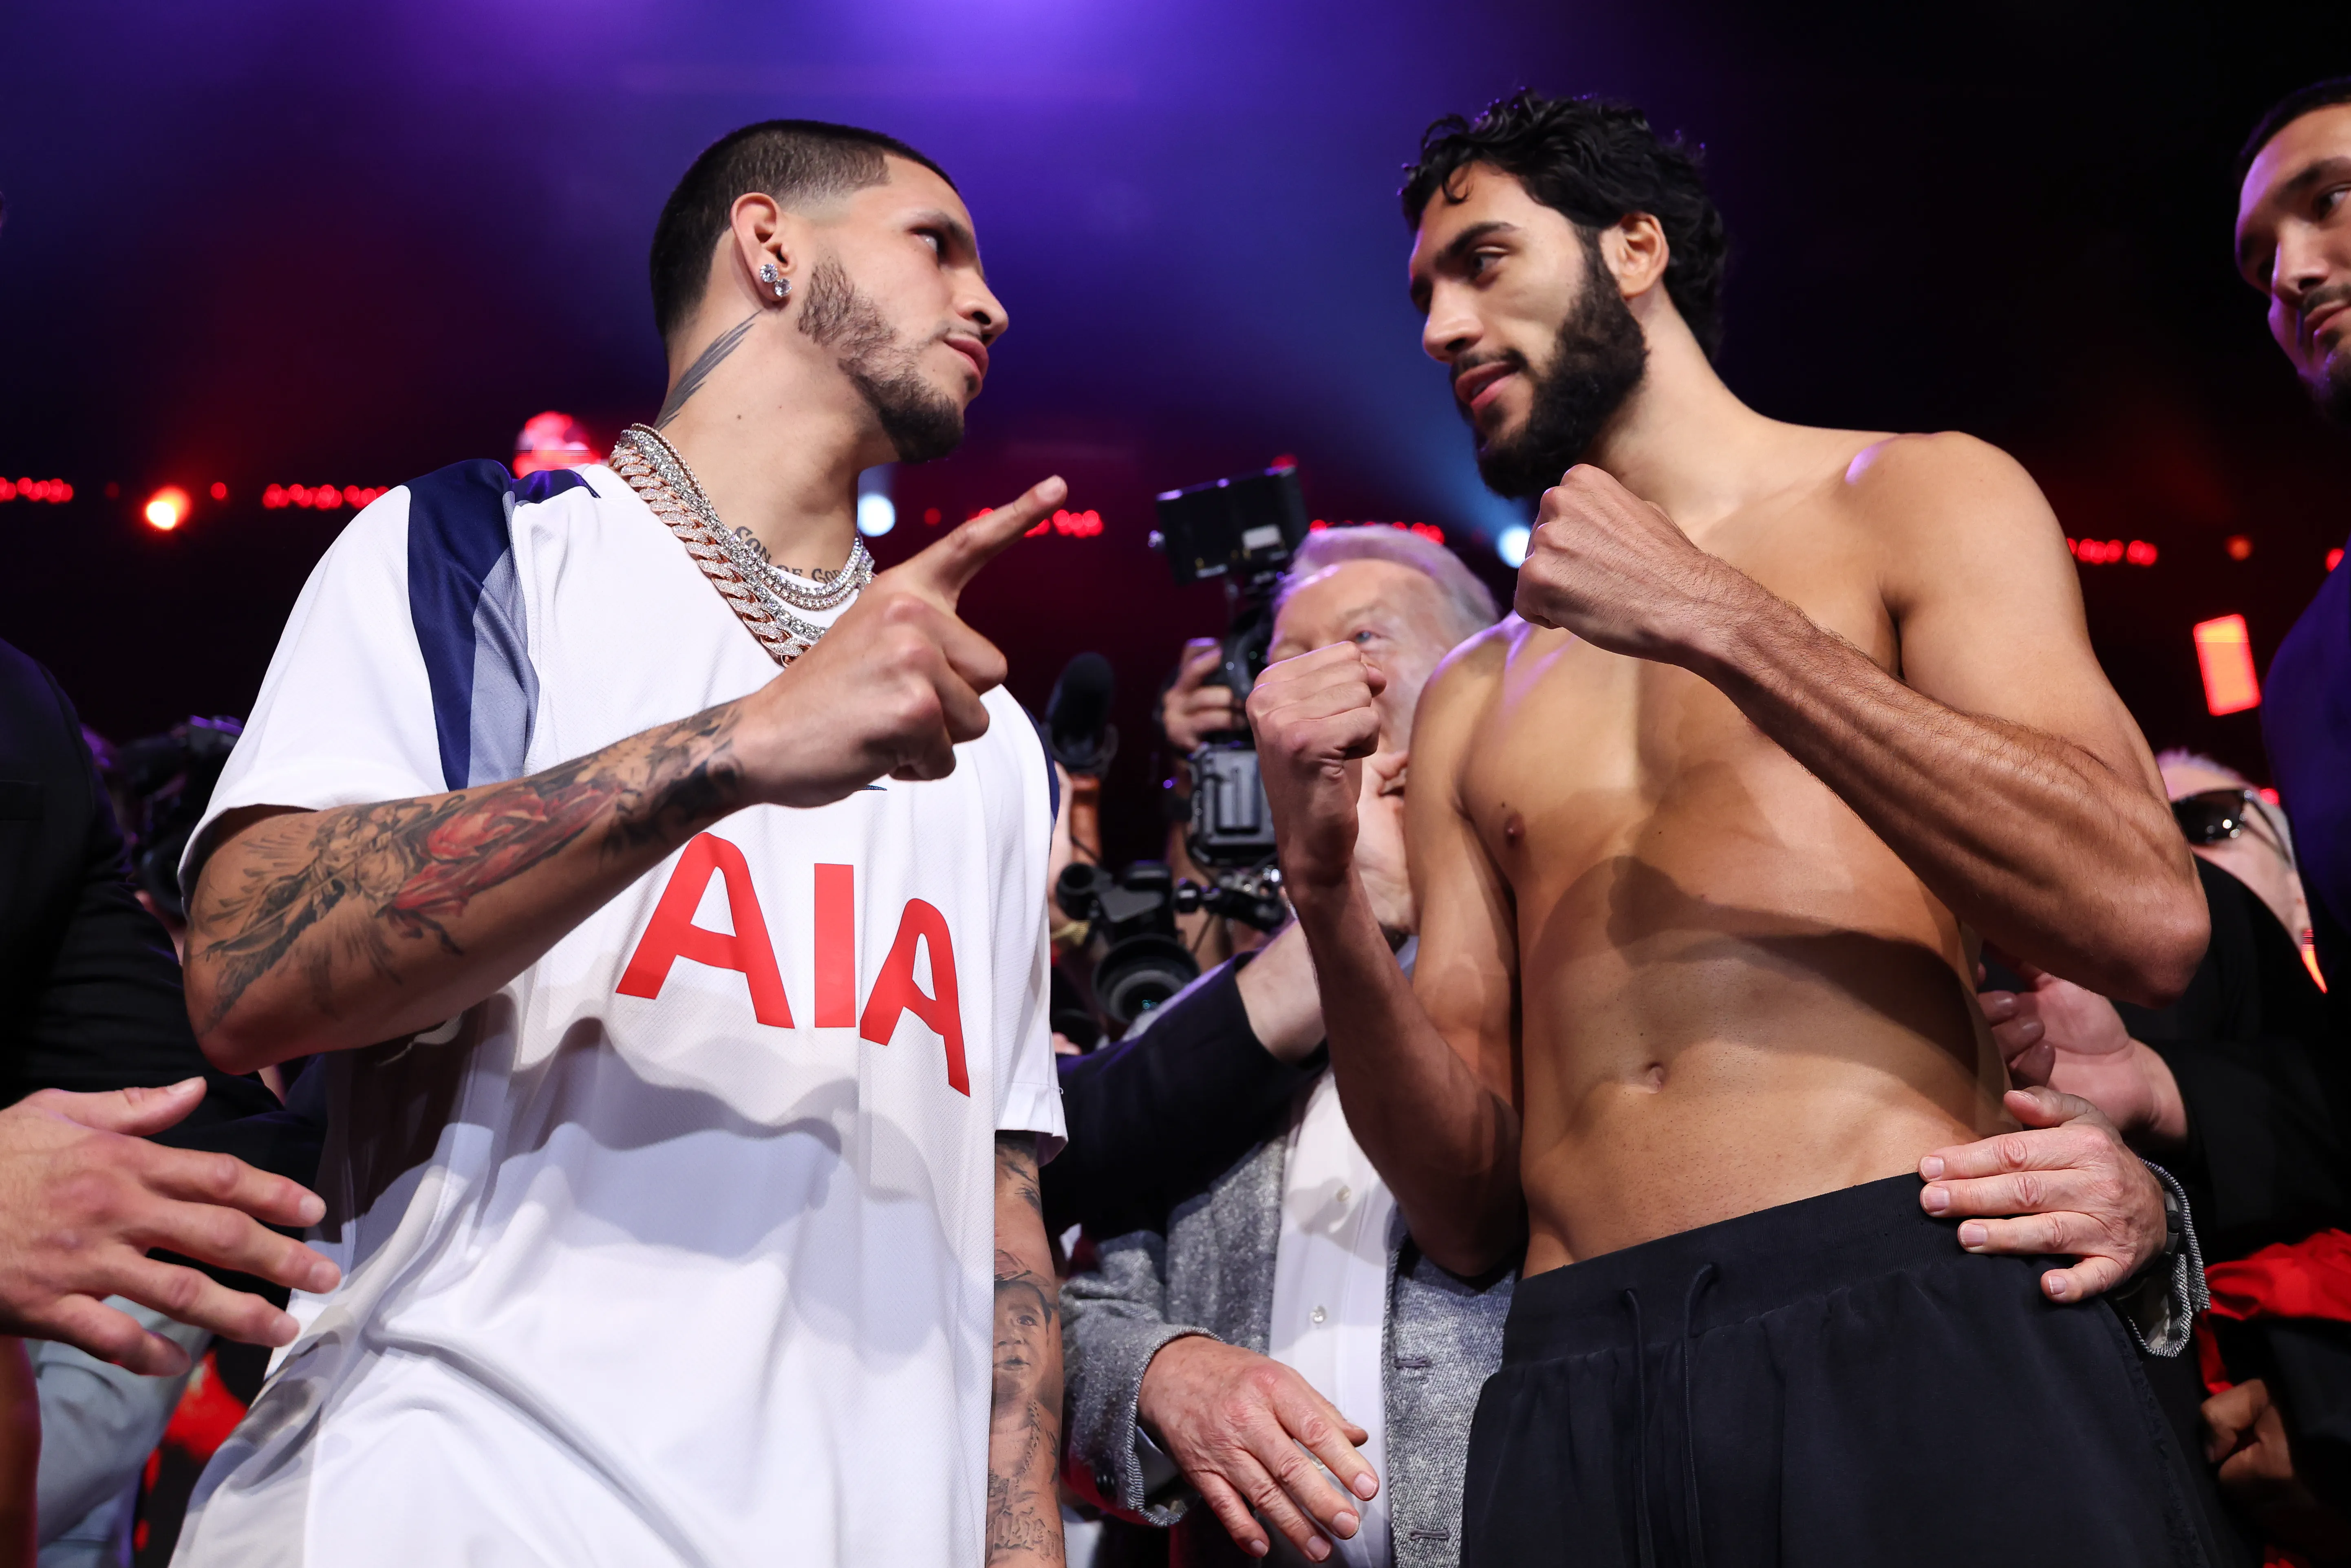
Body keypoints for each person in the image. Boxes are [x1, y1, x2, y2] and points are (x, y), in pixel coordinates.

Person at [1248, 91, 2226, 1565]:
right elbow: (1460, 1208)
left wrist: (1721, 617)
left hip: (1905, 1292)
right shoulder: (1469, 693)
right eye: (1423, 297)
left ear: (1634, 249)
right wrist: (1323, 890)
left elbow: (2144, 918)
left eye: (1485, 262)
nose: (1443, 326)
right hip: (1578, 1372)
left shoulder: (1913, 496)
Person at [170, 121, 1068, 1566]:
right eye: (937, 244)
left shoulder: (992, 736)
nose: (990, 302)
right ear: (769, 246)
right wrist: (732, 746)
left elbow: (1002, 1209)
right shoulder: (482, 558)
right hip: (458, 1506)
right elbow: (245, 961)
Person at [1065, 527, 1511, 1568]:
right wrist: (1161, 1375)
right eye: (1285, 656)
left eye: (1364, 638)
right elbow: (1072, 1309)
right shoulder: (1216, 1021)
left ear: (1482, 679)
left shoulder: (1570, 968)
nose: (1311, 679)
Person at [2240, 78, 2351, 1025]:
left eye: (2332, 199)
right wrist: (2167, 1081)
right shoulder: (2304, 674)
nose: (2288, 273)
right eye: (2260, 262)